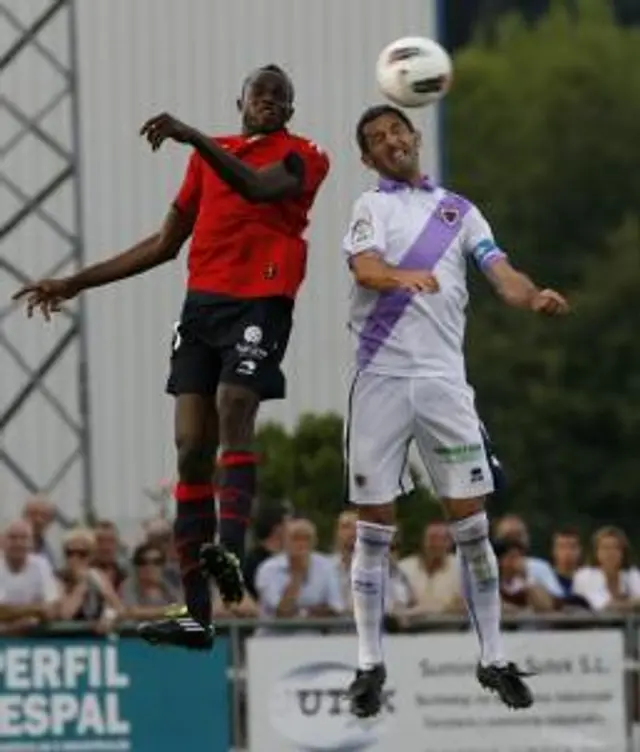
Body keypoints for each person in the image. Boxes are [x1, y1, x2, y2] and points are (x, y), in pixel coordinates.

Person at [13, 64, 330, 650]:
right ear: (240, 99)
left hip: (261, 300)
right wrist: (75, 283)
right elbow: (163, 245)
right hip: (202, 310)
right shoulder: (206, 161)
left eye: (280, 96)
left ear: (290, 109)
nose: (268, 101)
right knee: (189, 450)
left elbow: (261, 188)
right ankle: (197, 614)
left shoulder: (304, 155)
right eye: (260, 92)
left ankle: (229, 554)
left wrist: (193, 136)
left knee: (235, 404)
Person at [341, 104, 569, 718]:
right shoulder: (372, 208)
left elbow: (502, 272)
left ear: (415, 138)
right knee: (374, 526)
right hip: (382, 379)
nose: (392, 142)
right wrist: (400, 277)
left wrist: (531, 297)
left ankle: (493, 657)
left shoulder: (459, 211)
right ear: (369, 159)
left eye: (398, 132)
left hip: (444, 382)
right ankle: (369, 663)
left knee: (472, 525)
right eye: (378, 140)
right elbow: (363, 268)